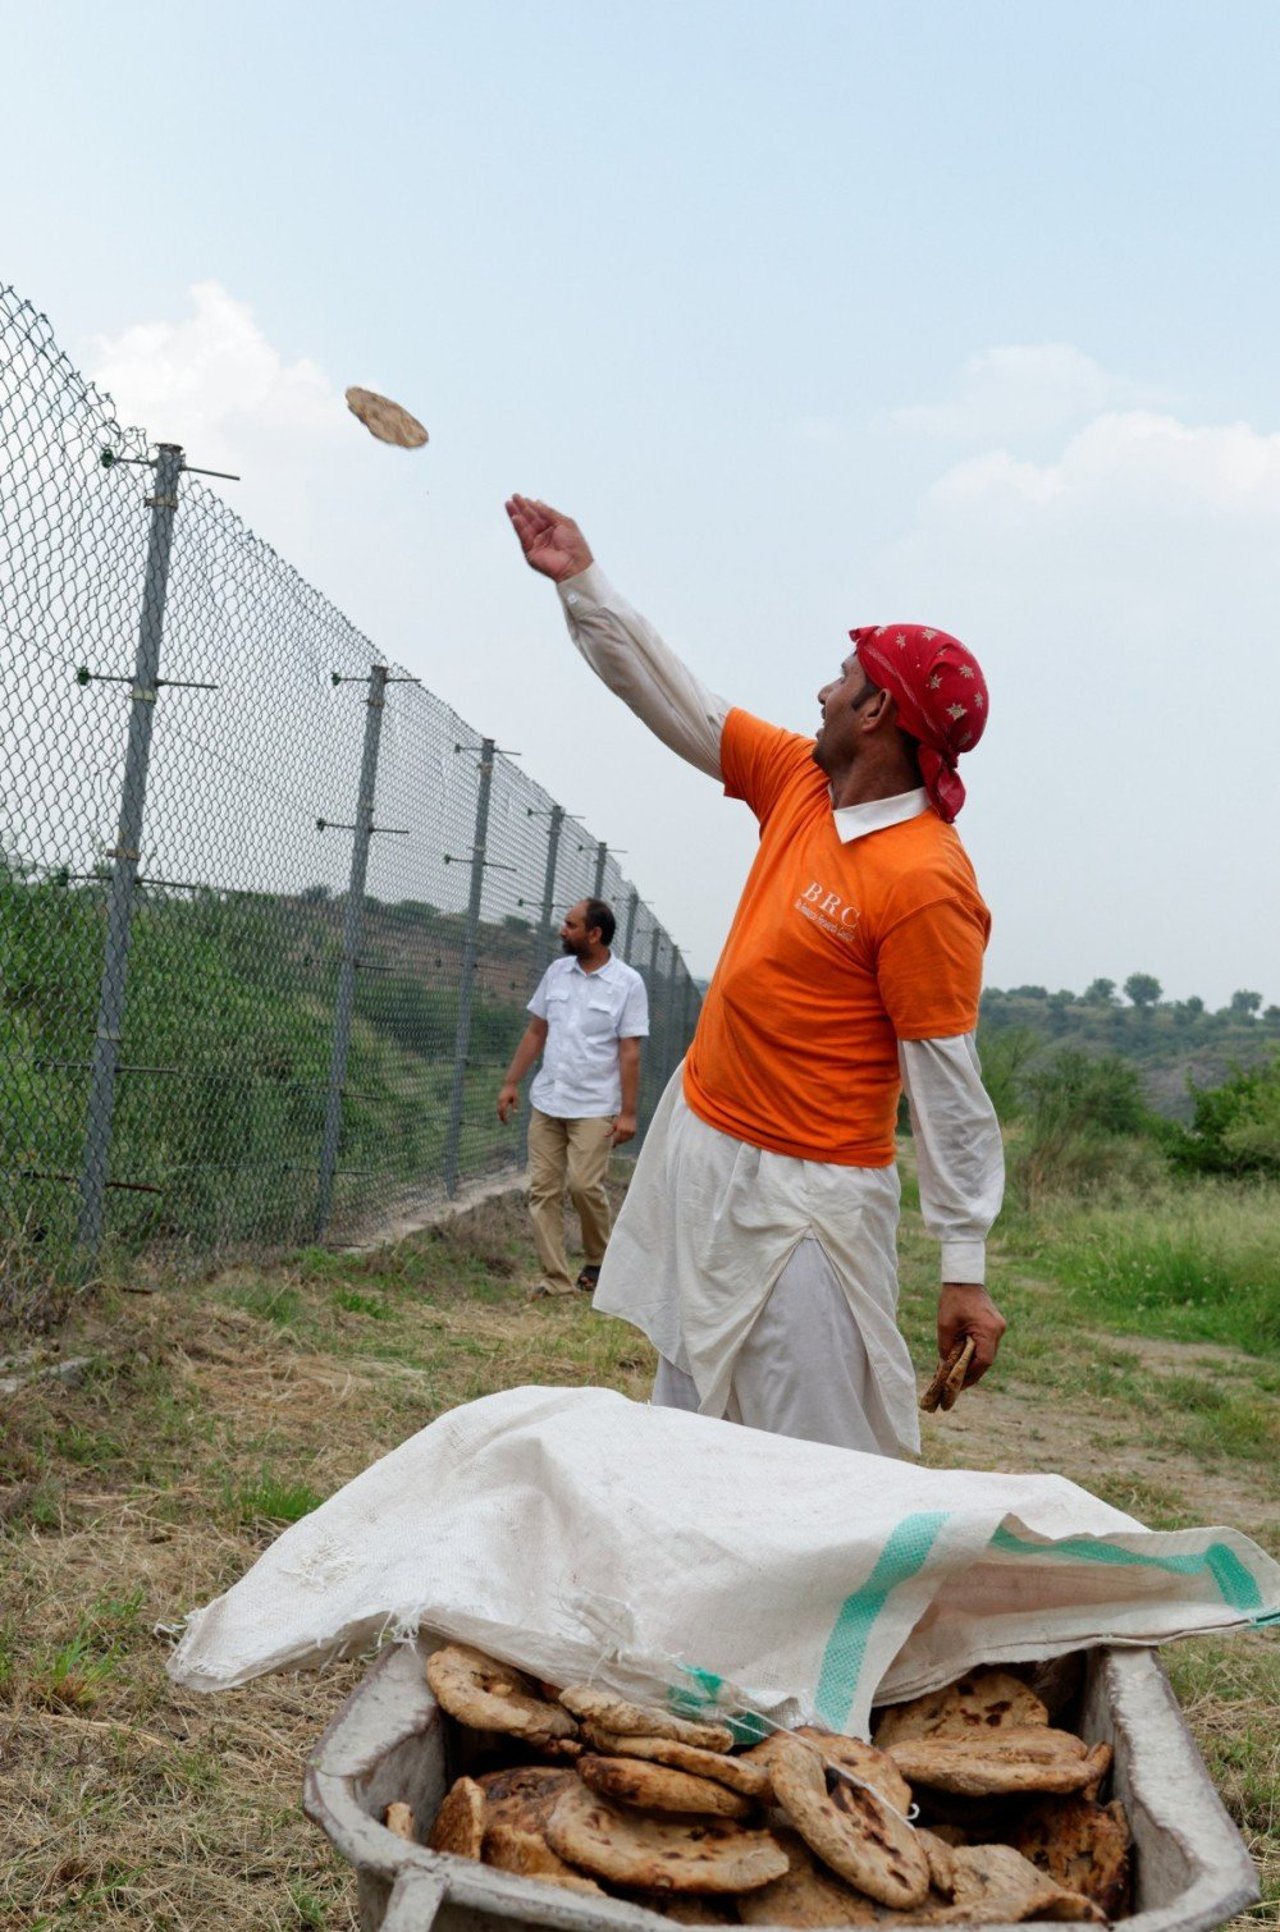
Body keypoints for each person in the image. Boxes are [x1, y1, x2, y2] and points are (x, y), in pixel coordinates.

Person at [504, 493, 1006, 1456]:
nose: (820, 691)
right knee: (688, 1428)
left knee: (814, 1464)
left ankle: (830, 1606)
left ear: (878, 712)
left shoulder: (925, 881)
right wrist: (583, 584)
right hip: (708, 1154)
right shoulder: (800, 785)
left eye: (843, 677)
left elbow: (946, 1086)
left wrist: (963, 1265)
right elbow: (677, 699)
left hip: (808, 1201)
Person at [498, 897, 649, 1297]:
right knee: (542, 1190)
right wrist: (511, 1083)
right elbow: (536, 1031)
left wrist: (629, 1113)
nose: (562, 930)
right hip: (548, 1101)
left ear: (594, 934)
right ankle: (555, 1280)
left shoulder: (628, 983)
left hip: (595, 1106)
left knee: (584, 1187)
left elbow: (630, 1050)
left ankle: (599, 1261)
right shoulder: (556, 973)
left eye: (570, 924)